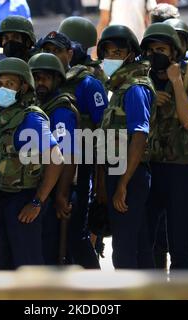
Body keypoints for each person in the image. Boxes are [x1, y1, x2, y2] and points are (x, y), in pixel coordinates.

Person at [0, 57, 64, 269]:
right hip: (3, 197)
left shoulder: (31, 119)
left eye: (10, 84)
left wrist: (38, 201)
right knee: (4, 263)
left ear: (24, 87)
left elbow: (57, 158)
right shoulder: (1, 116)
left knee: (28, 265)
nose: (3, 89)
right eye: (0, 84)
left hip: (24, 199)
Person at [40, 31, 108, 268]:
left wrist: (100, 182)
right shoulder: (37, 82)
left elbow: (103, 132)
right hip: (44, 172)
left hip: (80, 168)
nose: (51, 56)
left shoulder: (87, 83)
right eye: (46, 51)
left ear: (69, 53)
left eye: (56, 51)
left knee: (76, 235)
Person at [141, 23, 188, 273]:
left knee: (180, 239)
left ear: (174, 54)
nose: (155, 54)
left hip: (180, 169)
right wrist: (150, 97)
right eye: (151, 49)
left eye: (161, 49)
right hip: (149, 167)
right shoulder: (140, 84)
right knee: (150, 239)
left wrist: (177, 83)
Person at [97, 25, 154, 269]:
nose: (111, 58)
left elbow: (139, 137)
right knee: (134, 244)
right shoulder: (120, 88)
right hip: (117, 171)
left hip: (130, 174)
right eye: (107, 53)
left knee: (126, 249)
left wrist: (123, 184)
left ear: (131, 55)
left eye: (117, 53)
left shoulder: (135, 88)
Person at [28, 52, 79, 266]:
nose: (40, 83)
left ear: (56, 80)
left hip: (52, 190)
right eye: (36, 77)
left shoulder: (61, 111)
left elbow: (66, 156)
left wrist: (61, 195)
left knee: (51, 252)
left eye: (45, 78)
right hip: (34, 185)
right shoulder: (33, 105)